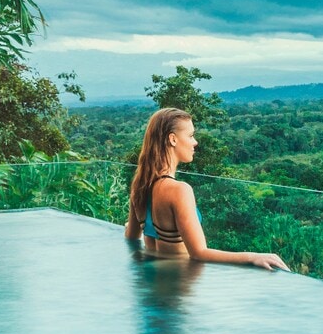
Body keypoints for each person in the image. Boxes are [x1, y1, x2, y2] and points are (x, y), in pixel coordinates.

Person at [123, 107, 288, 269]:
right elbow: (198, 253)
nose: (195, 142)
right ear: (172, 139)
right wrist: (252, 257)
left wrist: (139, 226)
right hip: (179, 288)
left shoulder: (140, 186)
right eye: (191, 135)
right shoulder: (179, 190)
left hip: (154, 285)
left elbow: (131, 236)